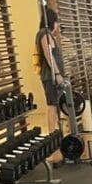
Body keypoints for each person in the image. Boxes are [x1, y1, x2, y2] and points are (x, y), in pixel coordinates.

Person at [35, 7, 65, 135]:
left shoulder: (46, 34)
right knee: (52, 105)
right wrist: (57, 74)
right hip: (50, 76)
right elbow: (49, 56)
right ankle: (52, 134)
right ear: (53, 22)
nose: (57, 25)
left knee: (56, 104)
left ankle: (58, 132)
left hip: (52, 75)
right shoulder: (45, 34)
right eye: (57, 22)